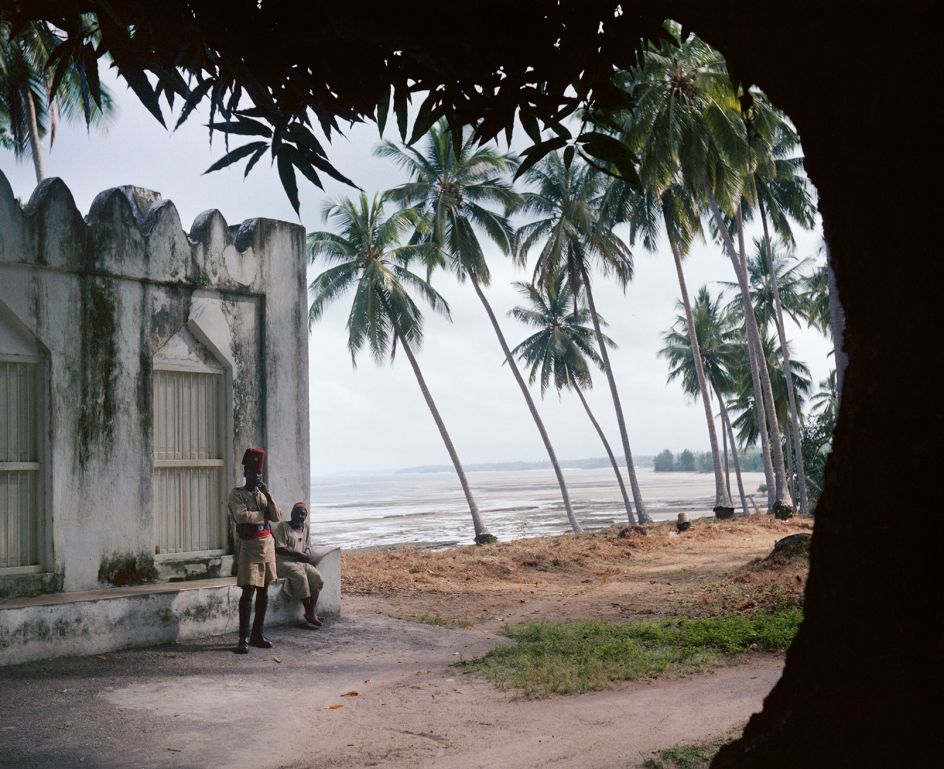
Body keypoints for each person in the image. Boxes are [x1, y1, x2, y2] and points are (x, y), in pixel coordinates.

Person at [228, 447, 281, 654]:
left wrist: (268, 496)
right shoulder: (237, 494)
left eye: (258, 473)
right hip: (250, 546)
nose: (256, 476)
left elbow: (276, 516)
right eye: (252, 472)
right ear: (245, 473)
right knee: (248, 592)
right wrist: (263, 516)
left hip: (267, 544)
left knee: (264, 591)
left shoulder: (263, 495)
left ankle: (258, 633)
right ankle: (244, 637)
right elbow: (242, 516)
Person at [273, 502, 325, 628]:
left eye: (302, 514)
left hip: (300, 562)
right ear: (291, 513)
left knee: (318, 579)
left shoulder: (305, 528)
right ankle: (310, 613)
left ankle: (310, 612)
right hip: (284, 562)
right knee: (301, 578)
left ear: (305, 516)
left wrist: (306, 552)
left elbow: (307, 545)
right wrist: (298, 554)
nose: (299, 516)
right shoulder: (283, 527)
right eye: (296, 513)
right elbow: (279, 548)